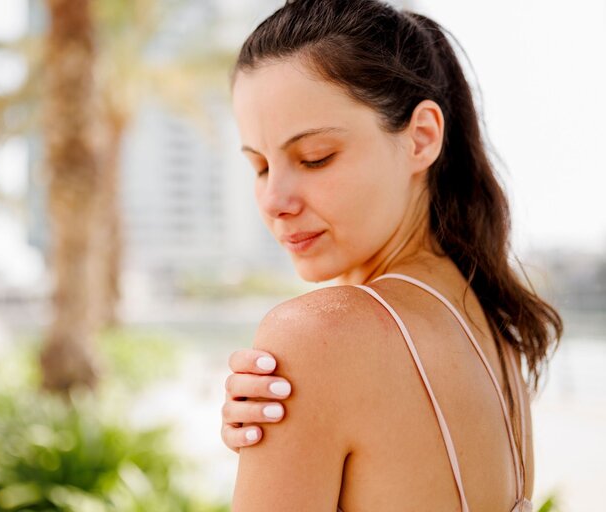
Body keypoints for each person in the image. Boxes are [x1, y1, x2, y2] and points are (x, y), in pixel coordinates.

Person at [221, 1, 563, 510]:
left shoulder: (317, 339)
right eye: (261, 167)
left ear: (421, 138)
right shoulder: (491, 326)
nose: (274, 201)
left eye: (315, 157)